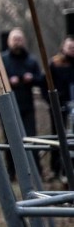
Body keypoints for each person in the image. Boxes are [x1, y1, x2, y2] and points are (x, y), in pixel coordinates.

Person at [0, 28, 43, 179]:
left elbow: (41, 80)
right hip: (7, 106)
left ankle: (35, 171)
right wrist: (8, 81)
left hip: (27, 105)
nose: (17, 42)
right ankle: (12, 172)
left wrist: (31, 78)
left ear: (24, 41)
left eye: (20, 39)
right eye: (15, 39)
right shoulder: (1, 60)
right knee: (10, 139)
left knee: (31, 138)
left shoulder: (31, 60)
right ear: (9, 41)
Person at [44, 35, 74, 182]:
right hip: (59, 107)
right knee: (58, 137)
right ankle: (56, 169)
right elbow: (45, 84)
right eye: (70, 47)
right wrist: (52, 102)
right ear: (64, 48)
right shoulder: (55, 64)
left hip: (72, 106)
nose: (72, 50)